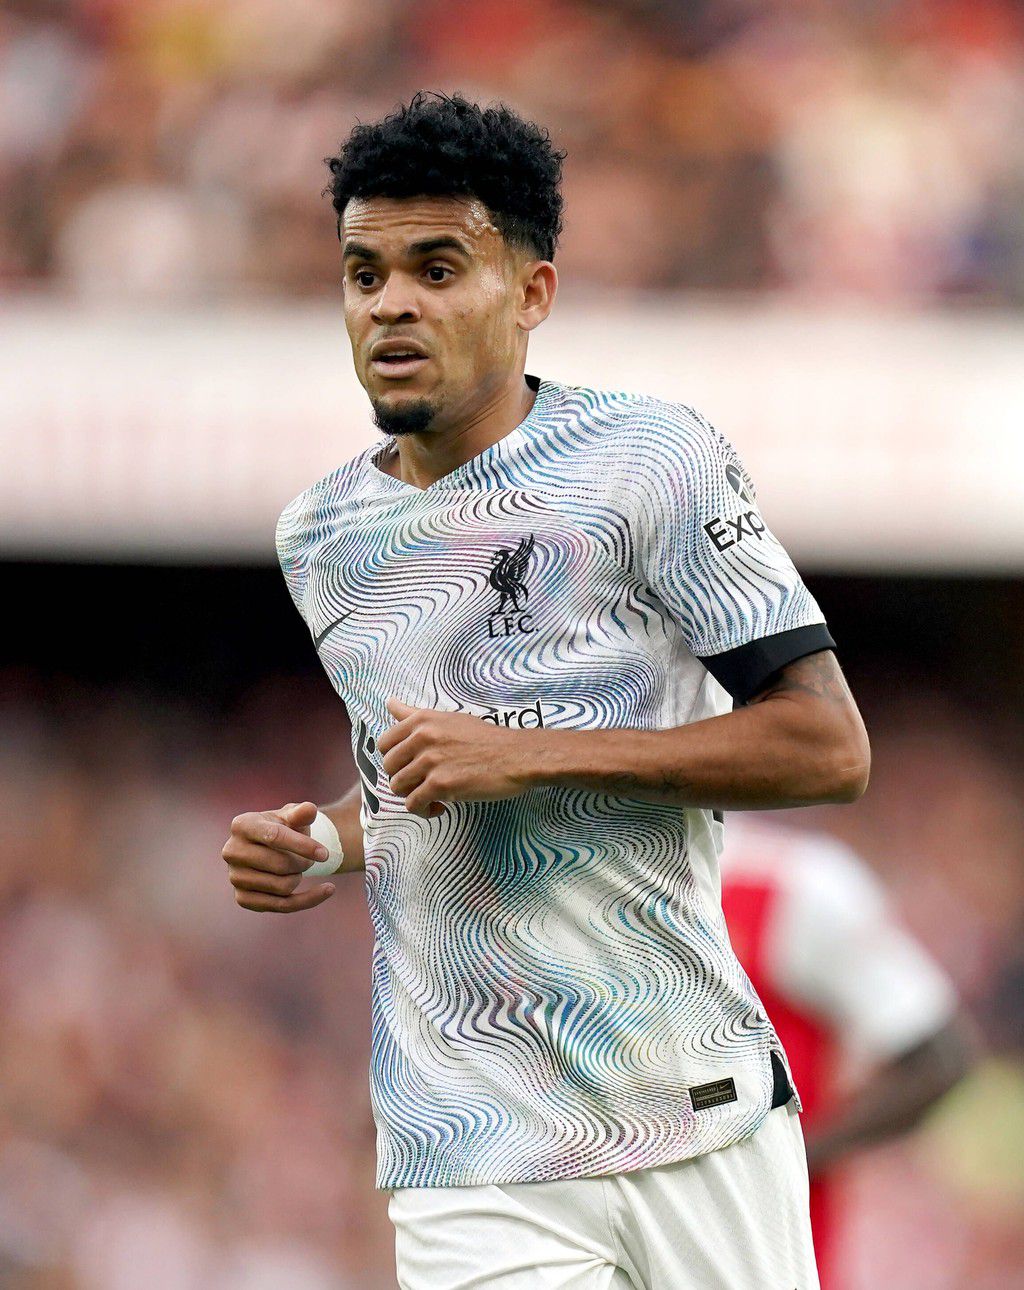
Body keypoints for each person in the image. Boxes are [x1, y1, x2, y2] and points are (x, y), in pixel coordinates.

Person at [220, 92, 871, 1289]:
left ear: (531, 293)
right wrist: (324, 841)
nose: (391, 304)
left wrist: (530, 754)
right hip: (468, 1135)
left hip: (684, 1097)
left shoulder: (648, 461)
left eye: (436, 269)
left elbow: (825, 748)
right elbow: (422, 780)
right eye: (364, 274)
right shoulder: (320, 536)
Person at [719, 815, 973, 1288]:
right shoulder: (573, 875)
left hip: (764, 1257)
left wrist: (785, 1159)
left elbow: (937, 1061)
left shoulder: (791, 884)